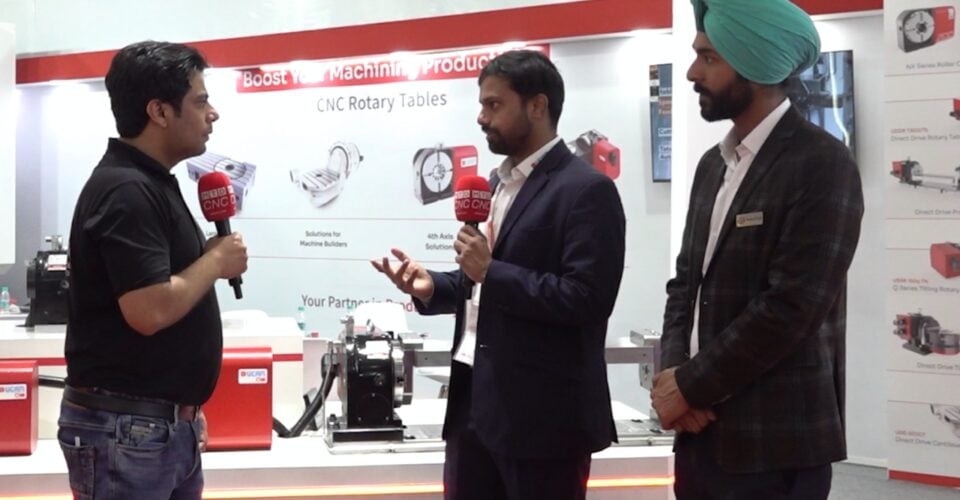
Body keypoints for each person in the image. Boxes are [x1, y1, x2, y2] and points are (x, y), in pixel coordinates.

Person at [372, 50, 625, 500]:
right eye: (482, 105)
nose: (481, 117)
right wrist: (433, 286)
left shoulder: (587, 190)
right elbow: (480, 283)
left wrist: (491, 271)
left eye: (494, 105)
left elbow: (587, 299)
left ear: (537, 106)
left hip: (543, 425)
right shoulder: (494, 184)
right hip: (473, 411)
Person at [653, 1, 864, 499]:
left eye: (709, 58)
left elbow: (792, 307)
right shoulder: (712, 165)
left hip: (776, 446)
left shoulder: (823, 163)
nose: (692, 73)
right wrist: (675, 377)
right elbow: (685, 285)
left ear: (756, 66)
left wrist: (689, 386)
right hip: (699, 435)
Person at [58, 41, 247, 499]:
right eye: (200, 101)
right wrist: (215, 260)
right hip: (128, 431)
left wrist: (184, 408)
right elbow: (149, 310)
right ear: (160, 111)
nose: (213, 114)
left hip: (157, 428)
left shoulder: (151, 183)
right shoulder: (126, 189)